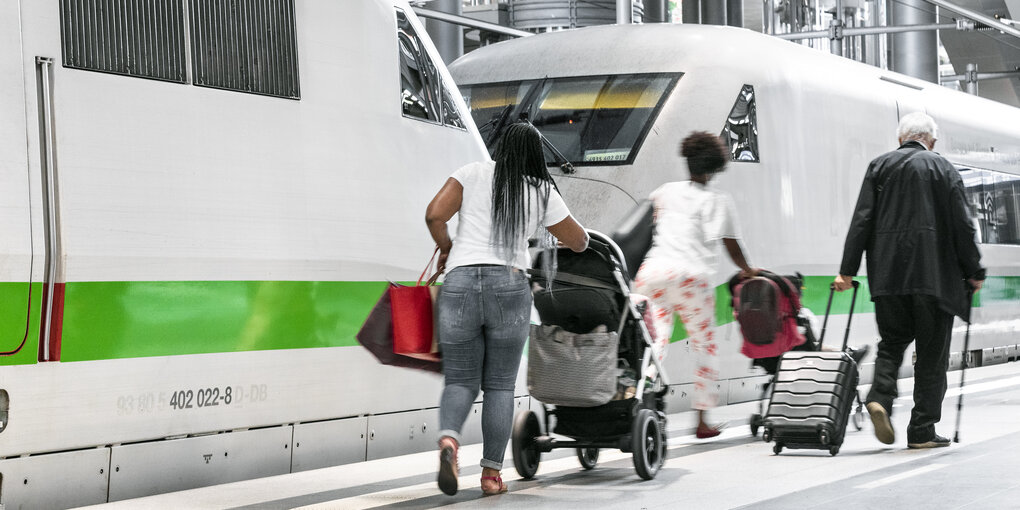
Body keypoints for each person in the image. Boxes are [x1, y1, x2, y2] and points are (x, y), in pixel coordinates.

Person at [425, 122, 588, 496]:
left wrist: (448, 247)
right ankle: (491, 475)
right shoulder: (541, 190)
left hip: (461, 282)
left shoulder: (471, 173)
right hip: (509, 286)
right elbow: (578, 241)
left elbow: (435, 215)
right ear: (536, 155)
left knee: (460, 381)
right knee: (498, 385)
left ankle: (449, 441)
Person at [834, 112, 985, 449]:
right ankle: (921, 431)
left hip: (888, 278)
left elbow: (861, 222)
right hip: (934, 280)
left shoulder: (878, 167)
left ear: (901, 139)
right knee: (931, 357)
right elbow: (962, 225)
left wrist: (846, 271)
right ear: (930, 140)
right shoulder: (942, 168)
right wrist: (974, 271)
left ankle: (880, 398)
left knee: (891, 345)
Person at [633, 131, 759, 439]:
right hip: (692, 278)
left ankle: (638, 397)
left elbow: (642, 230)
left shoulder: (663, 192)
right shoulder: (718, 200)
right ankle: (703, 420)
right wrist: (749, 271)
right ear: (714, 167)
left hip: (653, 274)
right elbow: (732, 247)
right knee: (704, 346)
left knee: (655, 342)